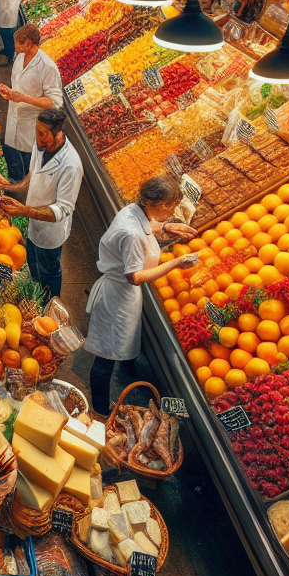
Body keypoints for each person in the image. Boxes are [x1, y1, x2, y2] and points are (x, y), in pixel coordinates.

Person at [85, 176, 198, 413]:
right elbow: (135, 277)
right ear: (151, 202)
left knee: (119, 344)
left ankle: (124, 376)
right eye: (169, 206)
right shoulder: (131, 234)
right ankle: (101, 409)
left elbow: (146, 227)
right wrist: (177, 262)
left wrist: (166, 226)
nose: (171, 210)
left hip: (123, 295)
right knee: (106, 355)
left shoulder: (133, 210)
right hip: (118, 297)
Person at [0, 108, 83, 297]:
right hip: (33, 222)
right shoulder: (41, 144)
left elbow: (63, 208)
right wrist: (10, 186)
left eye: (42, 134)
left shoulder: (71, 165)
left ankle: (51, 306)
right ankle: (34, 298)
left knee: (49, 272)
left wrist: (24, 211)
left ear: (58, 133)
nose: (37, 138)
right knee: (33, 265)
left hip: (51, 233)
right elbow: (32, 174)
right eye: (36, 131)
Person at [0, 23, 62, 182]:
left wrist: (24, 99)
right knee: (11, 158)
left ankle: (28, 194)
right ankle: (13, 183)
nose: (16, 46)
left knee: (29, 165)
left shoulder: (47, 67)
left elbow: (54, 101)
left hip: (30, 125)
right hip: (13, 118)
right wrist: (9, 92)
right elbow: (19, 85)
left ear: (30, 43)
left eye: (20, 43)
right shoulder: (19, 57)